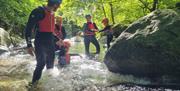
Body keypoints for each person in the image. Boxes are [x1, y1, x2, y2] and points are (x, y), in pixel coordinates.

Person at [25, 0, 62, 86]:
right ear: (55, 4)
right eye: (59, 5)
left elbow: (50, 31)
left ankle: (48, 86)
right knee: (41, 64)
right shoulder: (38, 11)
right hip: (40, 42)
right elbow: (28, 29)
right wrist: (29, 45)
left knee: (50, 66)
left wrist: (58, 39)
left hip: (50, 43)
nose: (59, 7)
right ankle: (33, 85)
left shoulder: (52, 13)